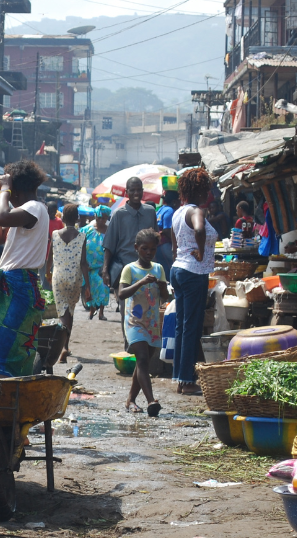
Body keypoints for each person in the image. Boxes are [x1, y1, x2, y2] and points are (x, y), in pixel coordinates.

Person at [0, 161, 50, 377]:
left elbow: (1, 217)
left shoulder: (34, 208)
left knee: (5, 352)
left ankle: (6, 402)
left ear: (15, 191)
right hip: (13, 284)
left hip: (18, 285)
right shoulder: (23, 212)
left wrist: (4, 192)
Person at [170, 168, 218, 396]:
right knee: (191, 327)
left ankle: (180, 378)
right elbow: (199, 229)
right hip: (193, 273)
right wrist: (200, 252)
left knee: (182, 327)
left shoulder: (178, 213)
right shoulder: (196, 211)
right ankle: (187, 381)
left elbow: (173, 245)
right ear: (202, 190)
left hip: (179, 269)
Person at [118, 228, 168, 416]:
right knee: (143, 359)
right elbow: (121, 294)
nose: (148, 253)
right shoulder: (130, 269)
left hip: (152, 323)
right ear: (136, 248)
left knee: (142, 364)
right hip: (134, 322)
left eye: (152, 250)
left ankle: (130, 400)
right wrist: (141, 282)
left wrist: (163, 286)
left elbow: (164, 296)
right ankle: (151, 401)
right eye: (144, 249)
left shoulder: (159, 269)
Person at [46, 204, 90, 365]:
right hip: (75, 278)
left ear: (62, 218)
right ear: (77, 218)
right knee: (69, 312)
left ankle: (63, 347)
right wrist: (89, 287)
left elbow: (50, 257)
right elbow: (84, 263)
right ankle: (64, 346)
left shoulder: (55, 234)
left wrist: (48, 273)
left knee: (62, 314)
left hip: (59, 277)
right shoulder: (82, 236)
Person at [101, 178, 157, 293]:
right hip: (124, 270)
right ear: (127, 192)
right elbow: (109, 245)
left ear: (142, 191)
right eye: (132, 190)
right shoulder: (118, 214)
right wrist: (105, 270)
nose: (136, 193)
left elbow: (156, 241)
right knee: (126, 309)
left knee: (147, 307)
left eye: (138, 190)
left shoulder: (150, 212)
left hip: (147, 270)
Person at [81, 205, 111, 320]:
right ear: (95, 216)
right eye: (100, 218)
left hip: (103, 268)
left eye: (104, 218)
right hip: (89, 267)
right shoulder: (86, 230)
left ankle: (101, 312)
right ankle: (92, 310)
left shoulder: (109, 231)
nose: (102, 220)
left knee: (104, 288)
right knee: (92, 289)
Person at [155, 190, 179, 276]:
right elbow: (167, 230)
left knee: (164, 270)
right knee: (173, 267)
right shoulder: (170, 210)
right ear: (174, 202)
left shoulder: (161, 209)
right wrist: (177, 244)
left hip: (158, 246)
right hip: (164, 244)